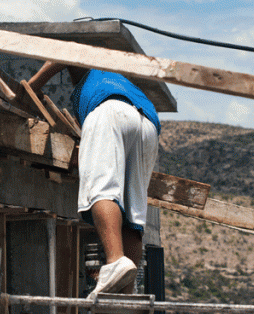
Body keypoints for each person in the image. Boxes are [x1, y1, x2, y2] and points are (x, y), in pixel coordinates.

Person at [25, 61, 160, 298]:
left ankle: (115, 260)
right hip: (148, 125)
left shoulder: (89, 68)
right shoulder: (119, 80)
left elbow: (61, 55)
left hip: (109, 113)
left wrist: (30, 88)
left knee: (102, 188)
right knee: (132, 213)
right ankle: (126, 292)